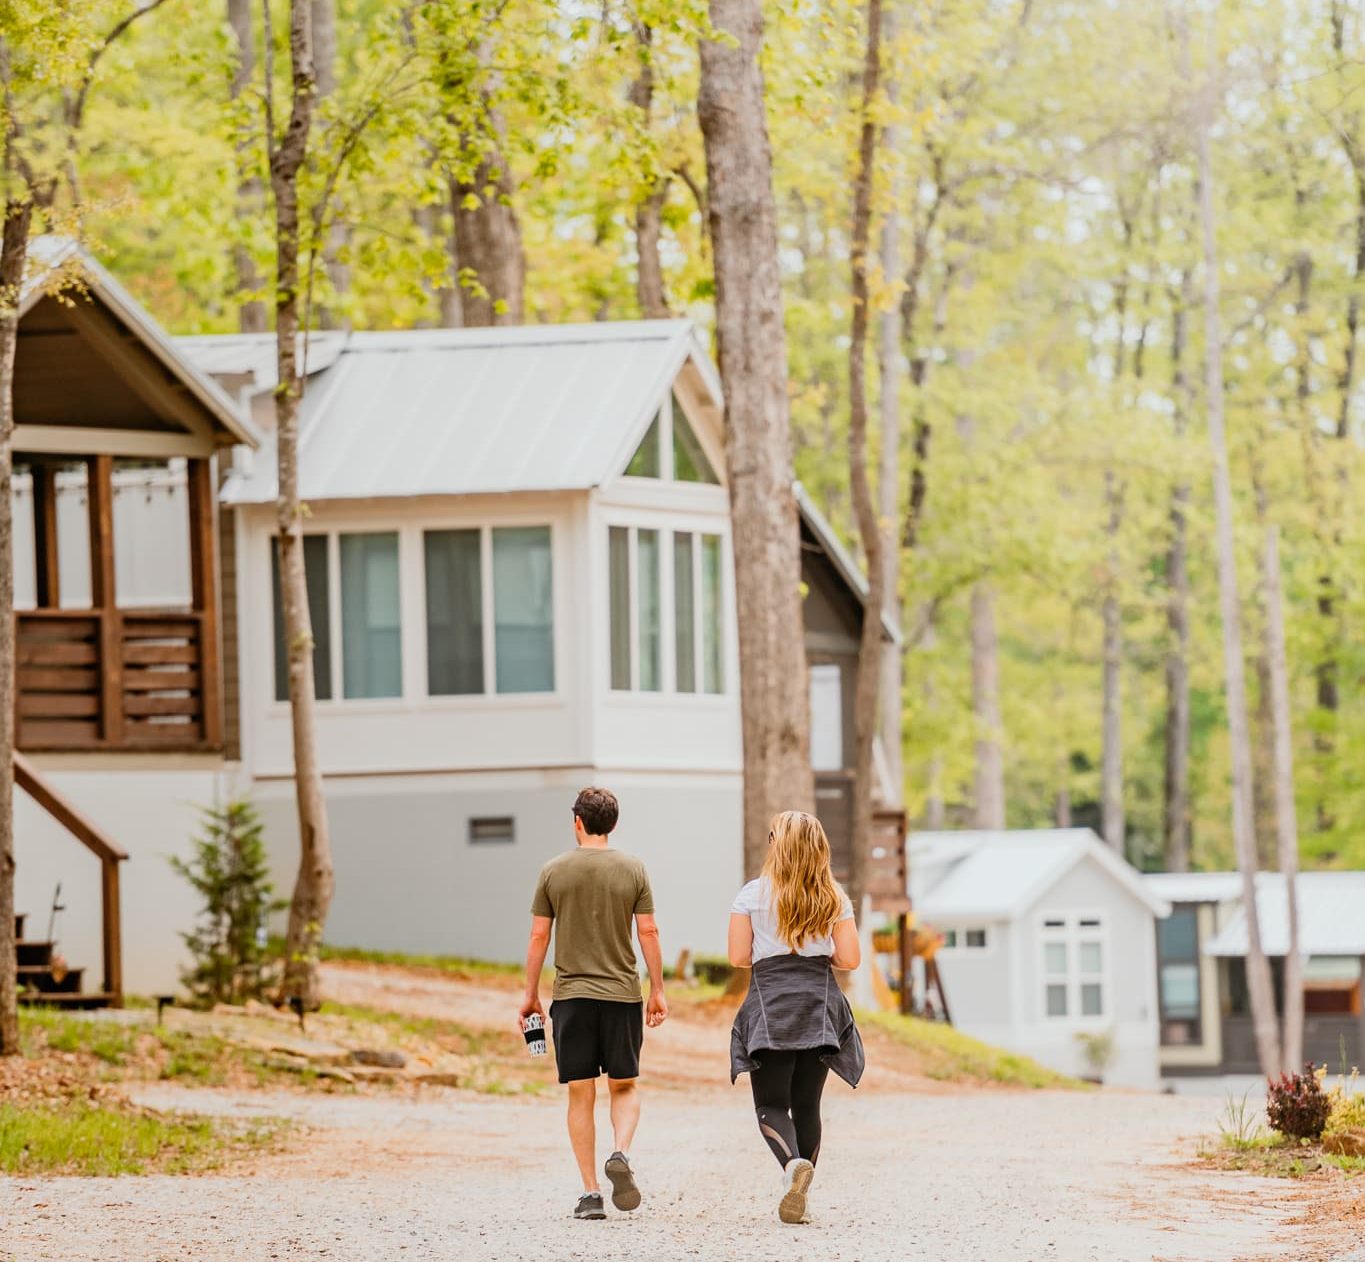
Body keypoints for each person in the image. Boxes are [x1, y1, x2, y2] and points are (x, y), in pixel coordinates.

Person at [519, 787, 668, 1221]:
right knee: (624, 1085)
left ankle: (590, 1193)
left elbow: (538, 937)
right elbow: (649, 932)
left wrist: (530, 995)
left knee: (580, 1093)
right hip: (622, 995)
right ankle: (619, 1151)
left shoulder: (553, 871)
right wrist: (657, 989)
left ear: (577, 822)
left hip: (572, 998)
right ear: (614, 824)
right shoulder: (633, 868)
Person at [728, 810, 864, 1225]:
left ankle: (791, 1169)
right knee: (807, 1105)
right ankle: (804, 1189)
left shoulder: (753, 894)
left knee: (771, 1104)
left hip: (772, 1003)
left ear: (776, 845)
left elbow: (737, 956)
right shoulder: (833, 896)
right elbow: (850, 959)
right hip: (818, 1004)